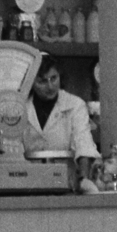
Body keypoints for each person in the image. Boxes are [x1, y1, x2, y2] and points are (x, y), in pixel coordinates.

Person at [24, 53, 98, 185]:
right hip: (28, 182)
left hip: (66, 182)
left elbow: (84, 144)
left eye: (53, 78)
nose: (50, 86)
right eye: (42, 81)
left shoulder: (75, 105)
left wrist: (84, 180)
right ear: (30, 83)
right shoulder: (21, 108)